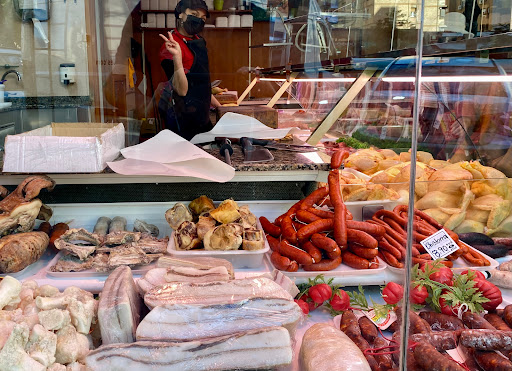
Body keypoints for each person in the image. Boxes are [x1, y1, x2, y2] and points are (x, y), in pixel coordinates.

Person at [158, 0, 221, 140]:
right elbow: (182, 90)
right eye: (194, 14)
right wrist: (177, 57)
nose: (199, 20)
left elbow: (201, 84)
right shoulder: (171, 46)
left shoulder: (199, 40)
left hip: (201, 115)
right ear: (180, 14)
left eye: (203, 18)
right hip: (182, 117)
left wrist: (220, 107)